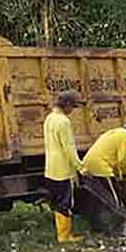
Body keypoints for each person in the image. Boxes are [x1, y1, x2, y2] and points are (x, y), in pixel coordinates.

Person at [78, 121, 126, 234]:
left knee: (98, 199)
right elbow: (121, 160)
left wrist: (117, 174)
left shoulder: (113, 132)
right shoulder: (125, 135)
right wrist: (123, 175)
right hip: (101, 167)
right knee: (115, 198)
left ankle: (97, 227)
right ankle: (118, 229)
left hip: (87, 165)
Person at [44, 90, 85, 243]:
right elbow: (69, 148)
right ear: (66, 105)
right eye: (72, 107)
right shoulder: (64, 122)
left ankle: (61, 233)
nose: (72, 110)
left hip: (50, 168)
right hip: (63, 170)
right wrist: (80, 167)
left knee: (57, 201)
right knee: (65, 202)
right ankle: (64, 236)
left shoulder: (49, 119)